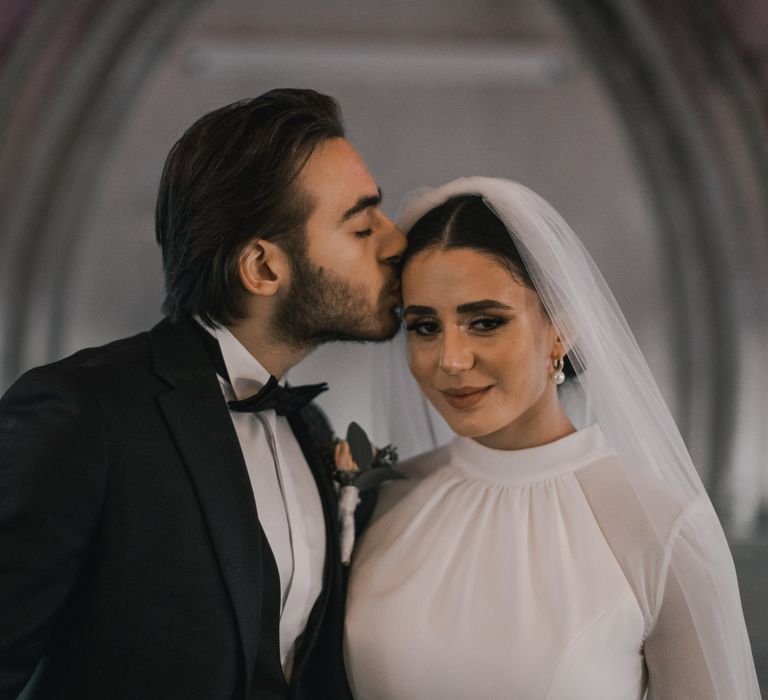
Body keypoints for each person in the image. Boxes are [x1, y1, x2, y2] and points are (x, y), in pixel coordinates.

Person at [0, 88, 406, 699]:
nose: (396, 240)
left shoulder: (311, 429)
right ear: (263, 269)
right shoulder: (82, 413)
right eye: (362, 224)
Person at [345, 177, 760, 699]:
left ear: (560, 330)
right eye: (425, 327)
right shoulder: (384, 498)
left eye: (485, 322)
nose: (450, 359)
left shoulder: (662, 531)